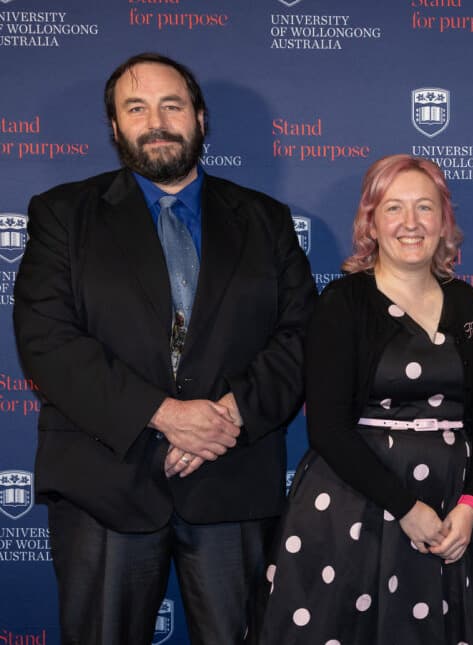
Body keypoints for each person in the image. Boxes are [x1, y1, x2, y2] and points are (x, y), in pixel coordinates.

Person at [12, 53, 317, 644]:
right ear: (114, 127)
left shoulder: (266, 220)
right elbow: (47, 340)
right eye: (136, 108)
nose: (156, 121)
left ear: (200, 118)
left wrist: (227, 418)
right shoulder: (62, 215)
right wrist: (167, 416)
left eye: (172, 106)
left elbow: (301, 336)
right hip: (105, 482)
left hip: (232, 479)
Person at [258, 155, 473, 644]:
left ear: (444, 221)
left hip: (451, 515)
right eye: (394, 208)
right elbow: (326, 427)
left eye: (424, 207)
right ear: (371, 220)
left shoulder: (468, 304)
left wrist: (470, 506)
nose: (410, 224)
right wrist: (406, 508)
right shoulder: (344, 303)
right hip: (356, 511)